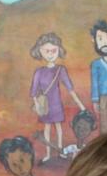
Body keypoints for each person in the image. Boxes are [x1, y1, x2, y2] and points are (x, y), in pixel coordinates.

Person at [30, 32, 87, 162]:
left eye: (53, 51)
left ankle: (60, 151)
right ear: (40, 52)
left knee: (58, 127)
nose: (50, 54)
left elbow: (70, 89)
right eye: (47, 51)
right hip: (44, 105)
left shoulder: (60, 70)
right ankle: (48, 154)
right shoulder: (39, 72)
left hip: (56, 103)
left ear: (58, 51)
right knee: (47, 128)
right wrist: (37, 105)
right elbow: (33, 91)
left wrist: (81, 106)